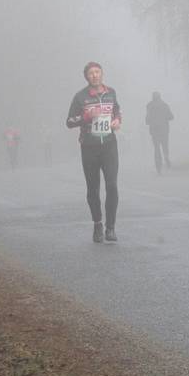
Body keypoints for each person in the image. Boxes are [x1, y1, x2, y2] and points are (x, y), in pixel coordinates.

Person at [66, 61, 122, 243]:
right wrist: (86, 116)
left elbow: (117, 111)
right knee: (93, 187)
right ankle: (97, 224)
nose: (95, 75)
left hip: (109, 145)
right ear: (87, 77)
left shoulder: (111, 92)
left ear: (102, 74)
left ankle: (111, 228)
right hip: (89, 147)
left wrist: (117, 121)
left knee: (112, 185)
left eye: (97, 72)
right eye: (91, 73)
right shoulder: (80, 97)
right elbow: (69, 121)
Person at [145, 91, 174, 174]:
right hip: (164, 130)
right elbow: (171, 116)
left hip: (154, 131)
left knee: (156, 148)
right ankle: (166, 156)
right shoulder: (164, 105)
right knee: (165, 145)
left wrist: (151, 121)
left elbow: (147, 119)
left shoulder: (149, 106)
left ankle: (159, 167)